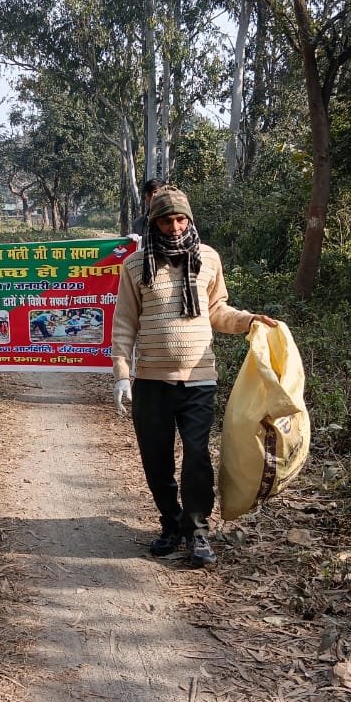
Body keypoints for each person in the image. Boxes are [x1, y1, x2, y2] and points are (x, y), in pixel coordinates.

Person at [111, 187, 278, 567]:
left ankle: (198, 531)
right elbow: (125, 322)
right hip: (151, 380)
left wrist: (249, 320)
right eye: (166, 221)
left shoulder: (208, 259)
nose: (174, 227)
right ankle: (171, 525)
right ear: (153, 223)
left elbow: (217, 310)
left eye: (180, 219)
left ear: (189, 219)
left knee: (197, 457)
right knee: (156, 461)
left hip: (199, 380)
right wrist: (122, 373)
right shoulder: (135, 266)